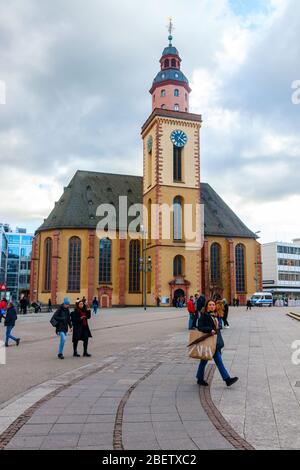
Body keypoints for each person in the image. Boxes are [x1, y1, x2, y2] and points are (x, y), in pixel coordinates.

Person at [196, 299, 238, 387]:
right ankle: (227, 379)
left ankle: (200, 378)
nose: (212, 306)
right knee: (216, 361)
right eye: (210, 305)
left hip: (214, 342)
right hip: (209, 342)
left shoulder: (214, 315)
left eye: (213, 305)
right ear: (207, 306)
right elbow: (200, 327)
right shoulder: (204, 315)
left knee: (205, 361)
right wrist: (209, 329)